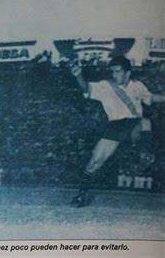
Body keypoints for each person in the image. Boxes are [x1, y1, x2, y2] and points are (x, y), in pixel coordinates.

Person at [70, 56, 165, 207]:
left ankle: (145, 155)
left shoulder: (137, 86)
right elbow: (86, 88)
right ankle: (81, 194)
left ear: (127, 73)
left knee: (145, 122)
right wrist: (78, 75)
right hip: (116, 126)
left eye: (118, 71)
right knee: (94, 162)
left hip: (133, 124)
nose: (114, 75)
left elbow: (151, 98)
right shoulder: (105, 86)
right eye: (113, 71)